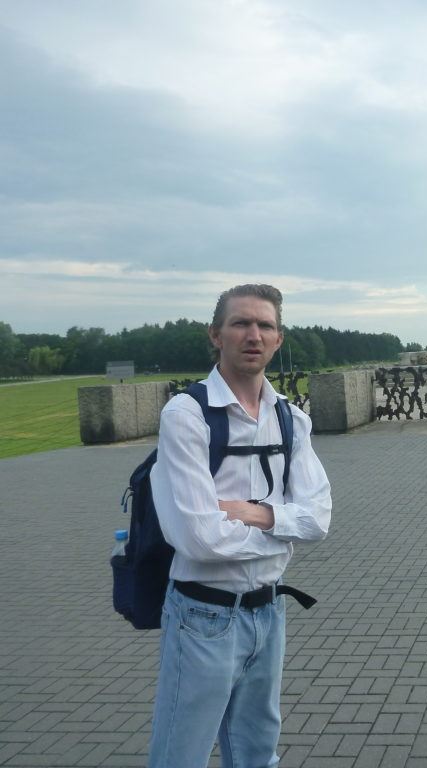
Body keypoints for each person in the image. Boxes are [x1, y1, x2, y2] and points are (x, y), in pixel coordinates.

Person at [147, 284, 332, 767]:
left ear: (278, 339)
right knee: (180, 756)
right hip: (202, 617)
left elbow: (319, 520)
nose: (254, 334)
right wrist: (281, 529)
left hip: (269, 612)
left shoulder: (291, 418)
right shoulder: (187, 415)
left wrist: (256, 513)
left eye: (265, 325)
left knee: (257, 755)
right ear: (216, 335)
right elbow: (198, 538)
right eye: (241, 323)